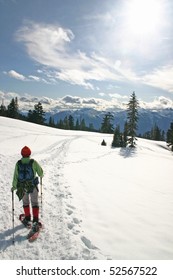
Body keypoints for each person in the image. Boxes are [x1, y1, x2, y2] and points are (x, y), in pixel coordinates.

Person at [12, 146, 43, 231]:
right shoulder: (33, 162)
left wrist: (14, 186)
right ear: (29, 153)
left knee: (25, 202)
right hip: (33, 186)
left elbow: (15, 176)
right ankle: (35, 220)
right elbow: (40, 172)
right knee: (34, 203)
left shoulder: (18, 163)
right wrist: (41, 175)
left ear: (22, 154)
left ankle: (27, 218)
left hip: (23, 187)